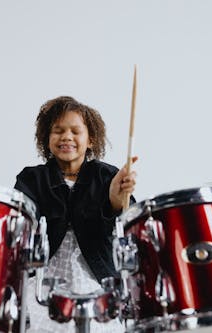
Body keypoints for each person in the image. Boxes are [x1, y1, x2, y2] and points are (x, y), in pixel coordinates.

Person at [14, 96, 137, 333]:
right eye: (58, 131)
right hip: (44, 281)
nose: (66, 137)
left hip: (97, 280)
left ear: (90, 139)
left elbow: (126, 228)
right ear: (46, 139)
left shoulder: (107, 176)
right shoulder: (31, 178)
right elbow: (23, 228)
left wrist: (115, 199)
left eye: (75, 131)